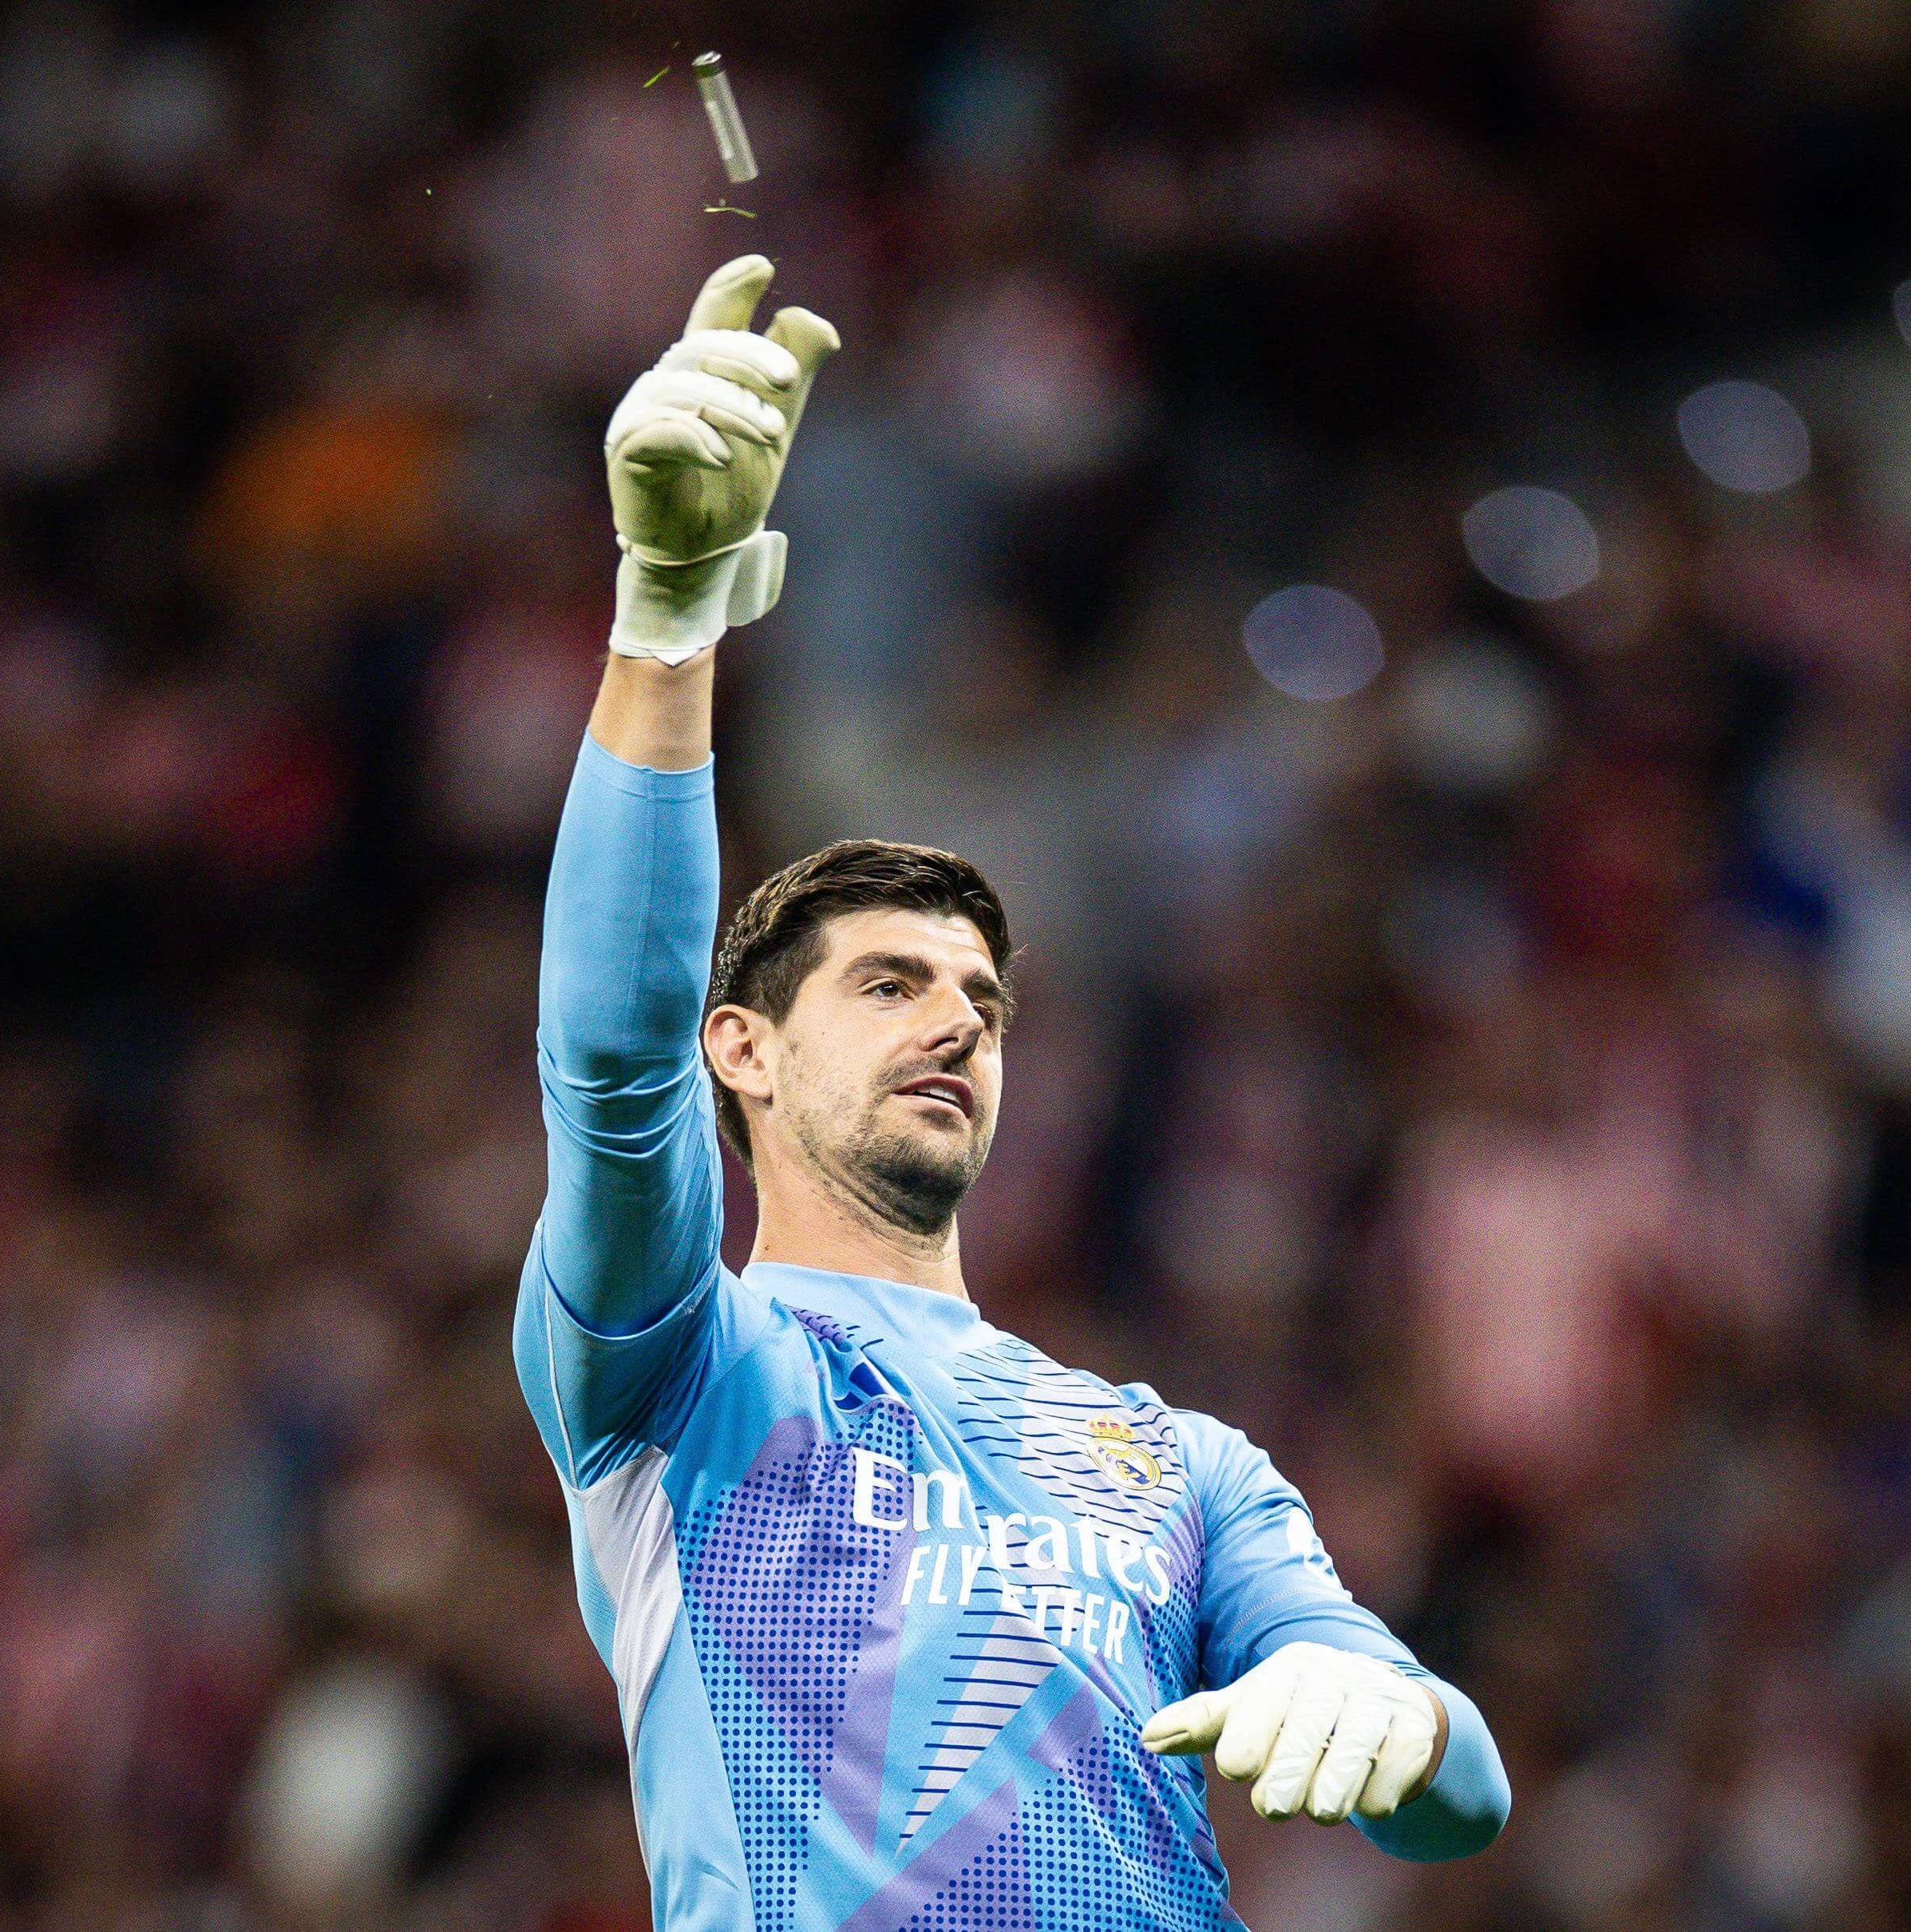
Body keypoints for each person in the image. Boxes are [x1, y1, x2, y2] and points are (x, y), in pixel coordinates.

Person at [514, 255, 1509, 1931]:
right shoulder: (685, 1367)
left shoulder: (1179, 1463)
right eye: (889, 983)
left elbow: (1457, 1796)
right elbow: (614, 1067)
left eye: (984, 997)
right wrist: (667, 619)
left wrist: (1396, 1714)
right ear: (746, 1049)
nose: (958, 1022)